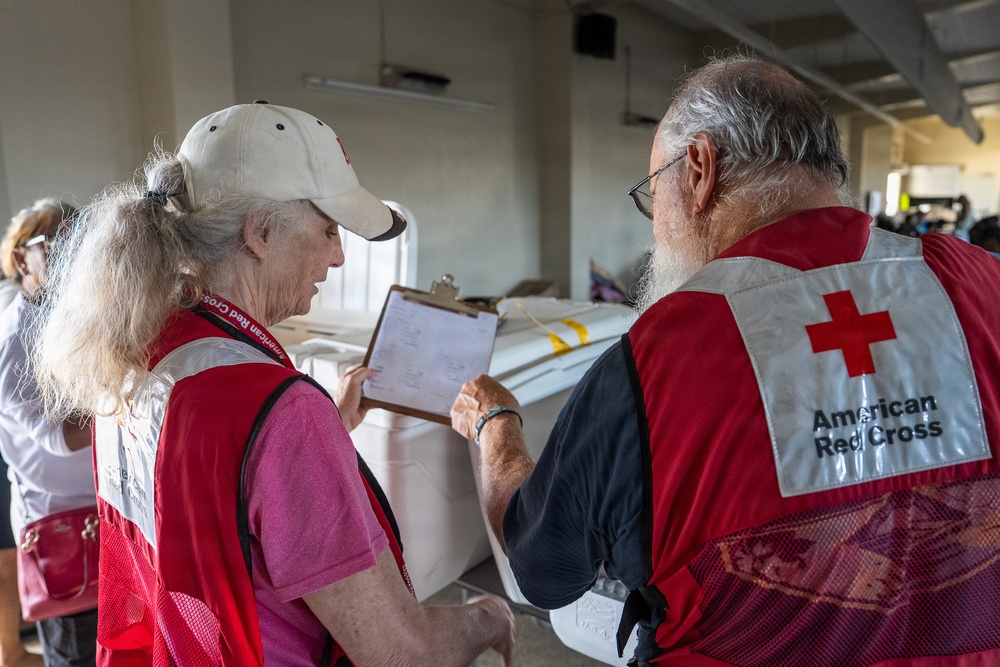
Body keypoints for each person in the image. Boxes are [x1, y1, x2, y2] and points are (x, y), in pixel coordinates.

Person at [452, 54, 1000, 666]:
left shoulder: (660, 359)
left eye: (651, 194)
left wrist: (495, 424)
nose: (657, 227)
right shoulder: (984, 285)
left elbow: (542, 569)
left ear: (699, 168)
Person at [31, 102, 514, 666]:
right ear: (259, 233)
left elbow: (205, 497)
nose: (338, 256)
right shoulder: (277, 411)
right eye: (329, 230)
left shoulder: (133, 356)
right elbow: (401, 653)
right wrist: (488, 616)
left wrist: (323, 424)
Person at [0, 200, 94, 667]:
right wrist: (135, 401)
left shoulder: (70, 317)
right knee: (77, 654)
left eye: (83, 242)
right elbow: (57, 436)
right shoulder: (17, 337)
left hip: (99, 515)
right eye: (59, 246)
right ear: (22, 260)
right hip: (61, 531)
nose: (76, 256)